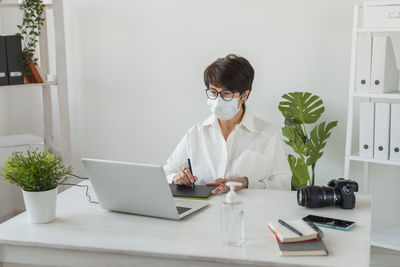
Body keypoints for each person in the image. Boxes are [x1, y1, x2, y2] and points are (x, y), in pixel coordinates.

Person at [164, 54, 291, 194]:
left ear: (244, 96)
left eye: (226, 94)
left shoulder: (267, 134)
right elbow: (167, 172)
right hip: (201, 213)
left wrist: (248, 183)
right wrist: (176, 179)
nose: (218, 100)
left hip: (249, 213)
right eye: (213, 92)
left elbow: (284, 185)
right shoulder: (195, 134)